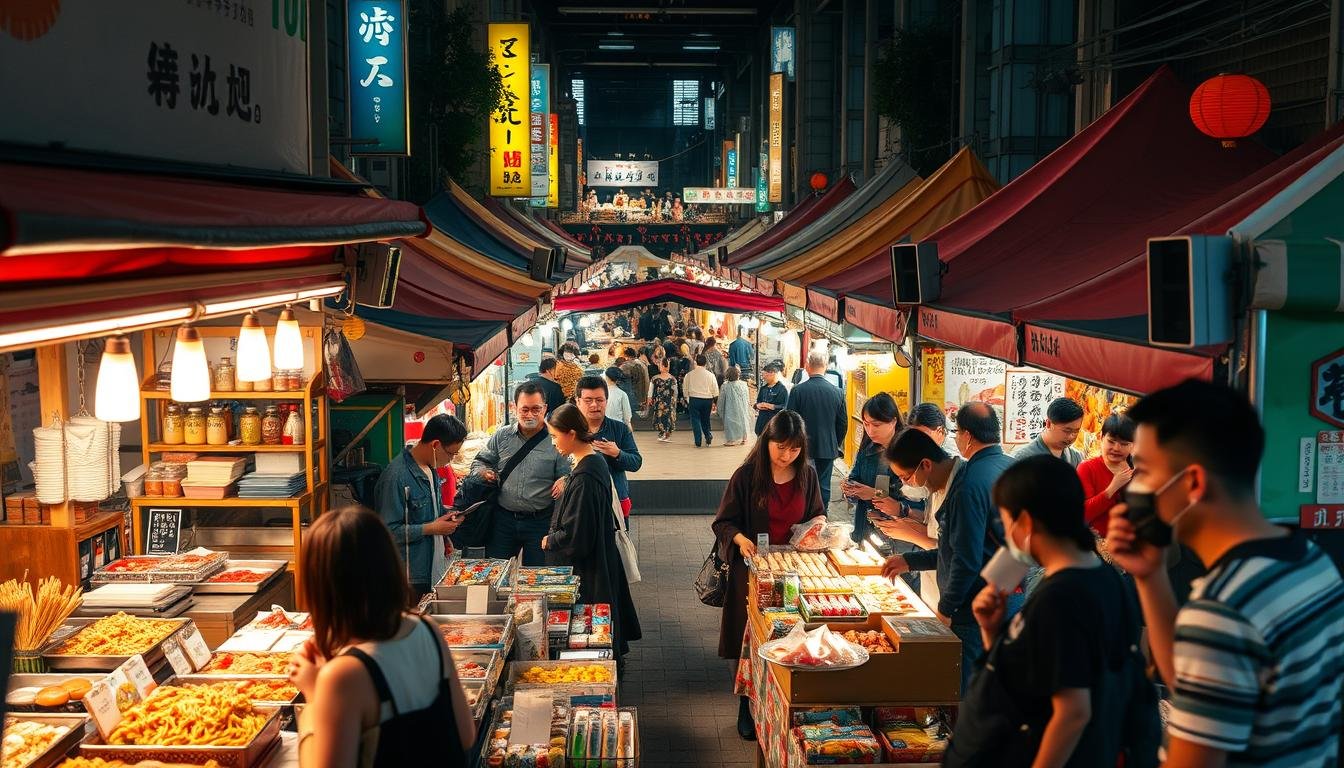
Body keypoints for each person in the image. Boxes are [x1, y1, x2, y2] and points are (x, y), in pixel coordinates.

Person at [1105, 380, 1344, 767]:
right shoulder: (1309, 561)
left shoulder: (1224, 608)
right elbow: (1194, 687)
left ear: (1194, 483)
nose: (1136, 485)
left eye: (1145, 470)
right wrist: (1150, 577)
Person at [944, 456, 1152, 768]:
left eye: (1006, 521)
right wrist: (994, 632)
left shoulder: (1062, 598)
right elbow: (1034, 677)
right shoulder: (1101, 576)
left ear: (1026, 522)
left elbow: (1073, 712)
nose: (1007, 534)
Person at [289, 507, 475, 767]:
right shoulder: (427, 629)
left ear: (321, 587)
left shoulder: (344, 675)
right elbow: (465, 736)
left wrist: (313, 696)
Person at [881, 403, 1017, 691]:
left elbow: (966, 560)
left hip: (974, 611)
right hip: (1006, 599)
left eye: (906, 478)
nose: (908, 484)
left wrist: (945, 610)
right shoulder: (1002, 466)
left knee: (965, 693)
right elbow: (961, 549)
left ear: (925, 465)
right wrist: (910, 561)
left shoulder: (968, 487)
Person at [712, 411, 825, 739]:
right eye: (781, 447)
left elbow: (817, 513)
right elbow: (723, 521)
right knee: (745, 638)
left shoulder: (808, 475)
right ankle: (746, 704)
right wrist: (740, 538)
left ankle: (783, 701)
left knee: (786, 637)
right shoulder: (747, 476)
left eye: (794, 449)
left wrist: (817, 527)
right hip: (749, 571)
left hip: (792, 572)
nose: (787, 455)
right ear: (767, 443)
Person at [541, 404, 642, 657]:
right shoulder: (592, 464)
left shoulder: (585, 476)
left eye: (555, 436)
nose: (553, 443)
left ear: (571, 433)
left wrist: (551, 541)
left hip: (589, 572)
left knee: (591, 634)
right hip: (601, 561)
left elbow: (579, 535)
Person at [471, 383, 571, 566]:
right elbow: (479, 462)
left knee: (535, 577)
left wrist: (565, 480)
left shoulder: (555, 439)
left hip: (540, 523)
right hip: (503, 521)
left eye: (536, 409)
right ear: (513, 408)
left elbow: (569, 474)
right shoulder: (502, 436)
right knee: (496, 572)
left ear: (545, 409)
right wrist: (484, 472)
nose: (530, 415)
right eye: (524, 409)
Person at [374, 414, 467, 600]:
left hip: (431, 568)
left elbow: (429, 510)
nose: (451, 460)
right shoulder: (396, 477)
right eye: (451, 454)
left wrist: (447, 516)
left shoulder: (429, 467)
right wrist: (432, 528)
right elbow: (387, 532)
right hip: (409, 577)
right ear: (435, 445)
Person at [899, 403, 961, 604]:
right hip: (934, 560)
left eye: (923, 436)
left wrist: (910, 531)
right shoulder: (924, 461)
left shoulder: (954, 468)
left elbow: (959, 555)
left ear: (941, 432)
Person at [575, 377, 643, 528]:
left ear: (606, 400)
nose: (594, 405)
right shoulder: (570, 431)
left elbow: (636, 462)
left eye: (600, 400)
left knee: (616, 547)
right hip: (579, 504)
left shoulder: (619, 429)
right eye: (588, 400)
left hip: (614, 502)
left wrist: (617, 453)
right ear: (577, 401)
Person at [786, 351, 848, 506]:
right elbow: (842, 424)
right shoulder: (838, 392)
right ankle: (822, 516)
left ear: (807, 366)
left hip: (801, 447)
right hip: (827, 447)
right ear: (825, 367)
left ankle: (803, 515)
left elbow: (790, 422)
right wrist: (834, 441)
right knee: (823, 486)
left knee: (802, 482)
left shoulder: (797, 391)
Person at [839, 393, 903, 544]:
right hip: (864, 527)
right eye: (866, 424)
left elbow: (911, 498)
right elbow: (855, 477)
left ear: (893, 421)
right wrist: (849, 488)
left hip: (895, 533)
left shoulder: (905, 452)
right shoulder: (868, 448)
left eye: (876, 425)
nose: (870, 430)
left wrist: (874, 494)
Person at [1077, 412, 1135, 535]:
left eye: (1124, 444)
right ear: (1101, 438)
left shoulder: (1137, 470)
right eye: (1111, 441)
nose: (1117, 448)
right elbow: (1082, 513)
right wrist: (1112, 489)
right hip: (1099, 545)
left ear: (1133, 445)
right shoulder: (1086, 468)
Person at [1013, 397, 1085, 467]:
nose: (1071, 437)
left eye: (1076, 431)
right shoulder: (1022, 458)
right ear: (1048, 424)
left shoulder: (1076, 457)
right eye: (1067, 431)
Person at [683, 353, 721, 447]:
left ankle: (698, 441)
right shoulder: (710, 375)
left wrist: (687, 398)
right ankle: (708, 436)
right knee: (705, 419)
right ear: (705, 363)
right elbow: (715, 390)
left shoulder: (689, 375)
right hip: (707, 400)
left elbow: (685, 389)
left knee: (695, 420)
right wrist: (715, 400)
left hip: (694, 399)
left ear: (696, 363)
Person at [717, 365, 752, 446]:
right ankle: (744, 438)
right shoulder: (743, 384)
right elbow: (747, 397)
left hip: (730, 408)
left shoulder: (725, 386)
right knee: (743, 421)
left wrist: (719, 409)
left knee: (730, 423)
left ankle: (731, 440)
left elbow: (721, 399)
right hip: (743, 407)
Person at [754, 361, 790, 436]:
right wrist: (757, 406)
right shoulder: (763, 389)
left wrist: (771, 406)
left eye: (764, 374)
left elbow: (785, 406)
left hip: (775, 424)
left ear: (772, 373)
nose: (763, 377)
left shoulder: (782, 389)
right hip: (762, 423)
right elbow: (757, 402)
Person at [648, 362, 679, 442]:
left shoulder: (655, 378)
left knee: (661, 417)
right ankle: (665, 434)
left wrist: (649, 398)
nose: (659, 366)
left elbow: (650, 390)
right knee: (668, 417)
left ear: (663, 366)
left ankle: (664, 434)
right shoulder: (672, 378)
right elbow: (676, 392)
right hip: (669, 402)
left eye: (660, 365)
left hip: (660, 401)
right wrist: (675, 400)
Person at [620, 348, 650, 416]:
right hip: (643, 394)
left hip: (636, 396)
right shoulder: (641, 363)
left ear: (627, 356)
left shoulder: (629, 365)